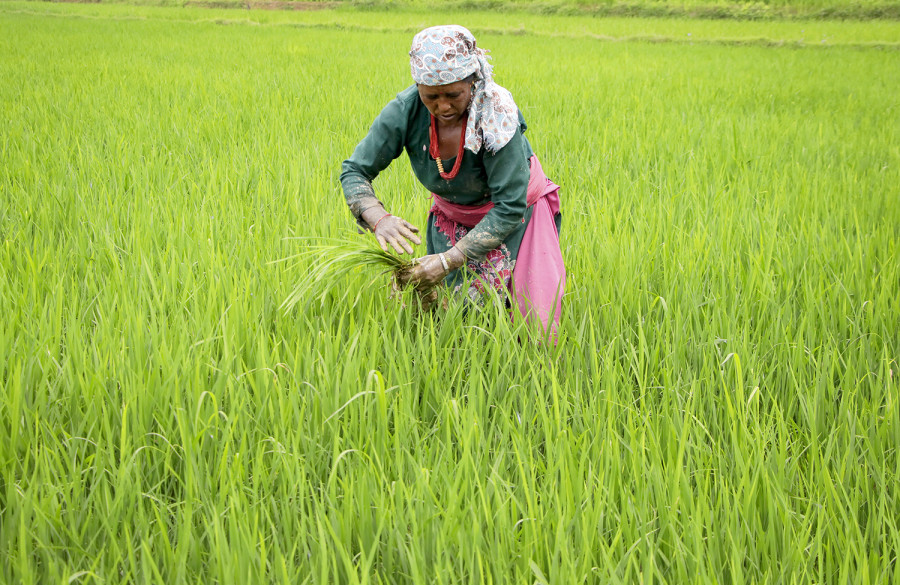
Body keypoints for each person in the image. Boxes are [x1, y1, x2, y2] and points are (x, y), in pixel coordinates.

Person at [340, 25, 565, 334]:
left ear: (472, 82)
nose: (442, 106)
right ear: (418, 86)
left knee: (518, 316)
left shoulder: (496, 114)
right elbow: (354, 170)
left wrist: (448, 260)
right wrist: (379, 218)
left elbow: (509, 207)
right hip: (451, 216)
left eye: (453, 94)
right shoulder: (405, 112)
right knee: (447, 310)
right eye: (431, 96)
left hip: (512, 216)